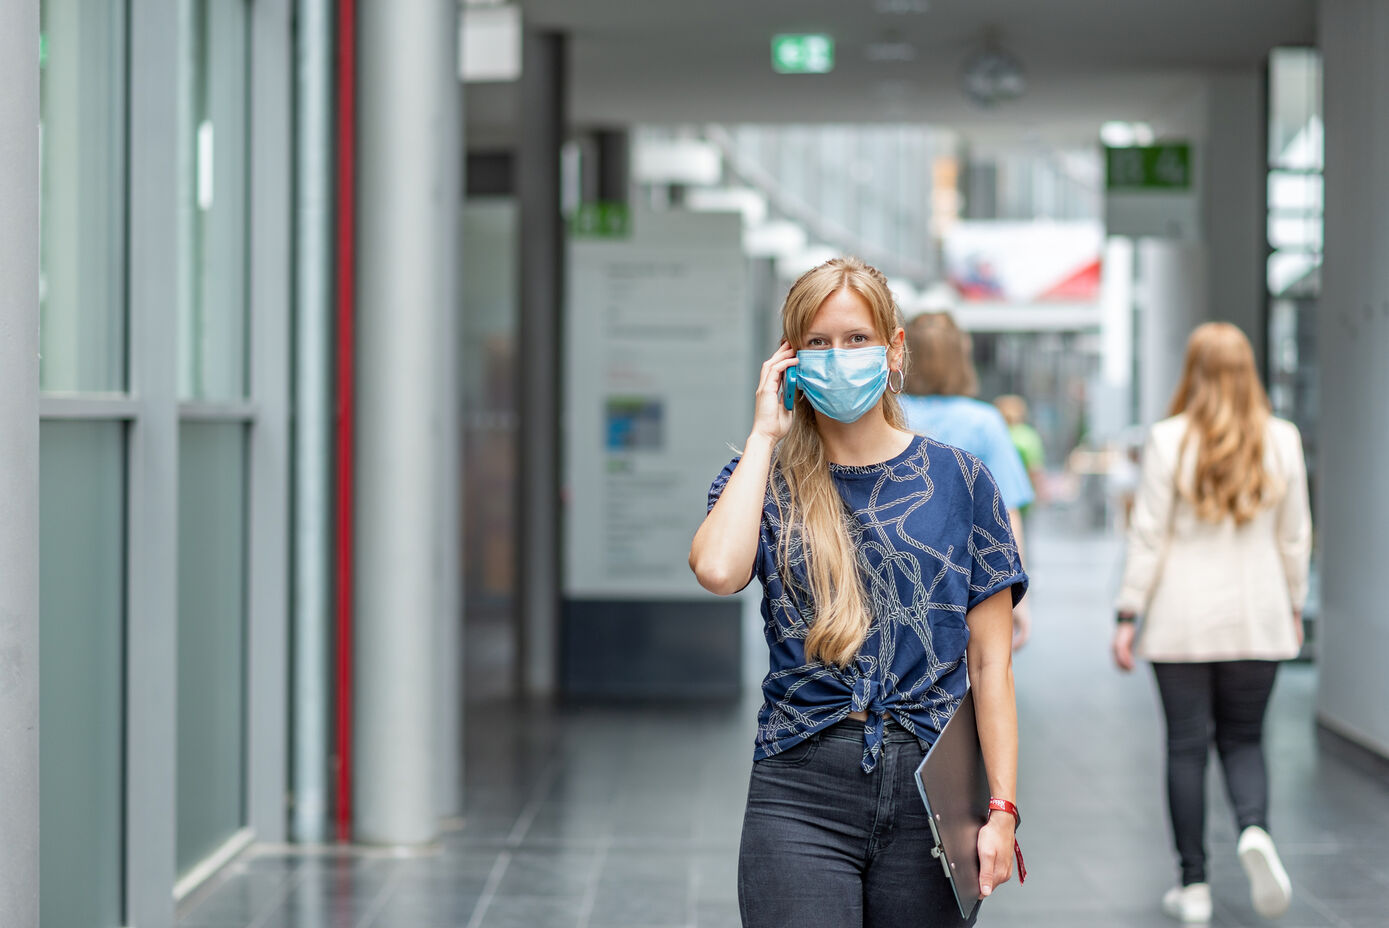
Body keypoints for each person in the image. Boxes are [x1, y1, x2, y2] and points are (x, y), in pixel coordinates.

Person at [689, 257, 1028, 928]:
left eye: (854, 339)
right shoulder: (763, 477)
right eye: (816, 343)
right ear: (788, 359)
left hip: (928, 786)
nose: (837, 358)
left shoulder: (960, 480)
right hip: (798, 786)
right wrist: (764, 434)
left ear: (893, 349)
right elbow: (717, 570)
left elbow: (990, 667)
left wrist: (1001, 810)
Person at [1112, 322, 1311, 923]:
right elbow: (1296, 537)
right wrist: (1294, 607)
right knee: (1245, 739)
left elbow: (1148, 535)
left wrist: (1128, 613)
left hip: (1180, 623)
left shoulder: (1169, 440)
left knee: (1186, 748)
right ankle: (1254, 830)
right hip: (1260, 618)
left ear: (1192, 372)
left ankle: (1193, 885)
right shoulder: (1283, 439)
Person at [897, 312, 1035, 650]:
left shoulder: (887, 414)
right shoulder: (984, 422)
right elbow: (1007, 515)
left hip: (891, 577)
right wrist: (1019, 600)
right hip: (963, 585)